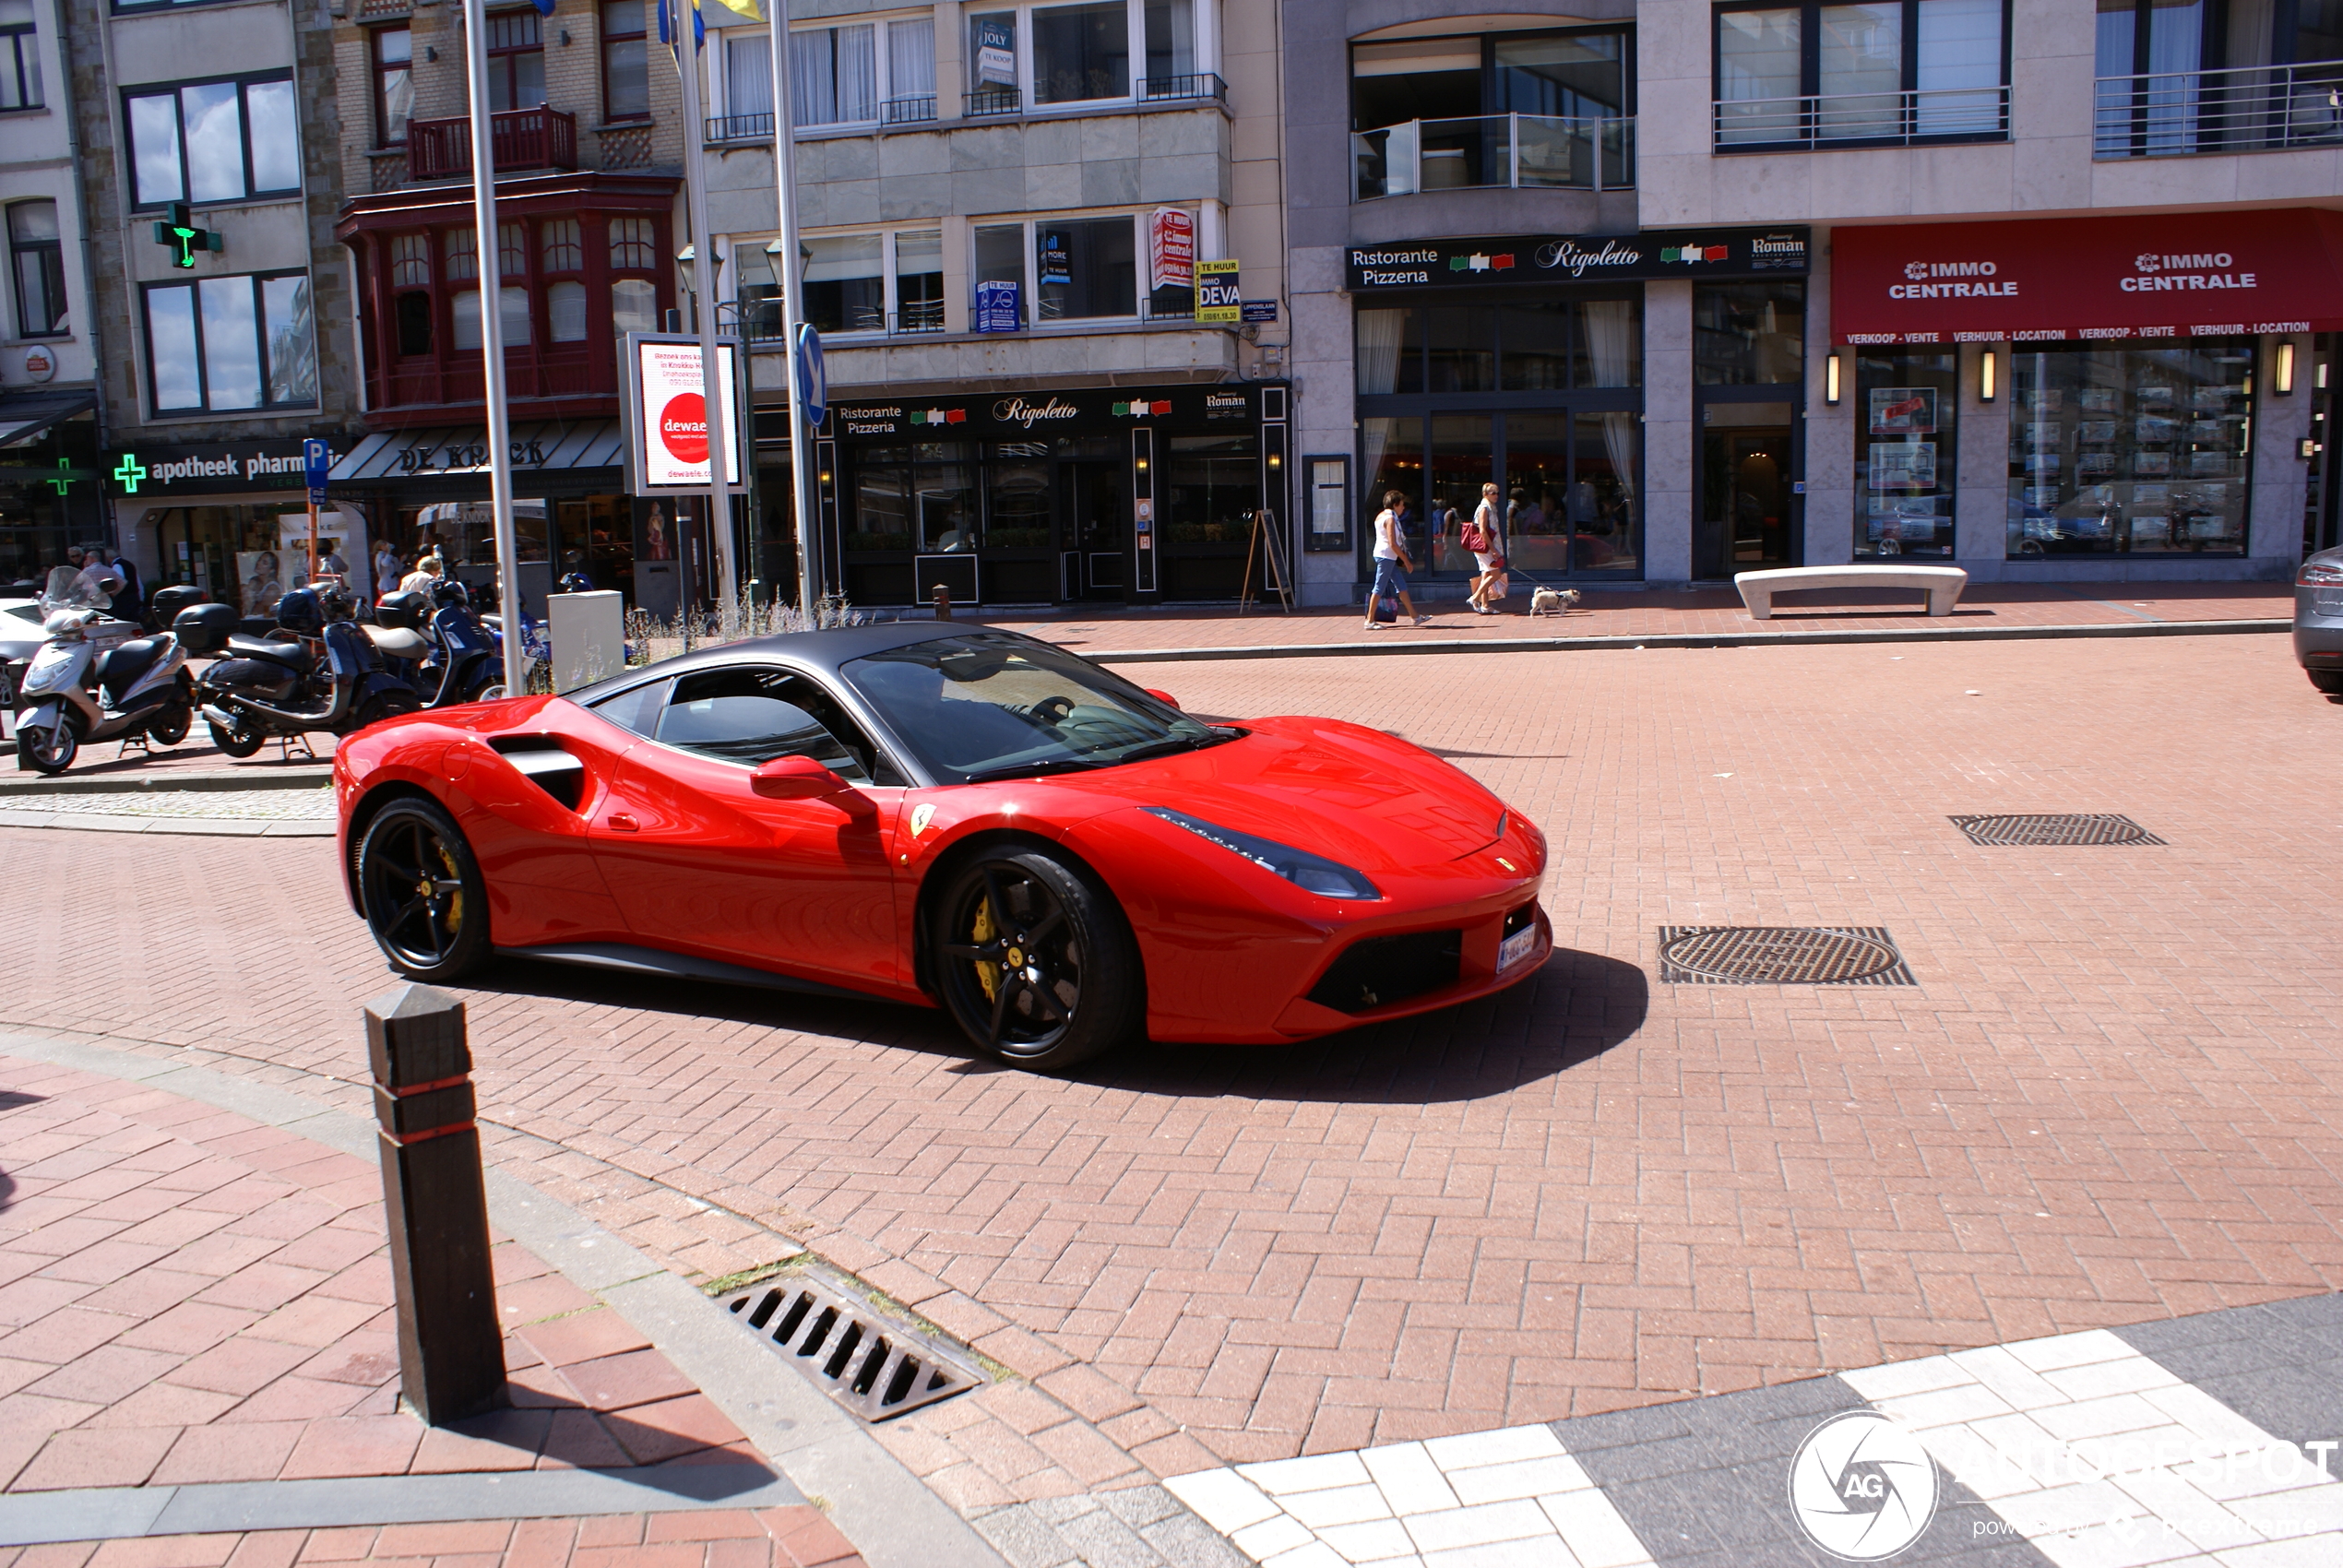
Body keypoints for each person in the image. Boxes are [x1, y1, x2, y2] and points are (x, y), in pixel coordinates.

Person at [1364, 490, 1427, 630]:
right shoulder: (1391, 519)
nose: (1403, 508)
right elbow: (1393, 543)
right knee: (1379, 587)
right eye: (1401, 504)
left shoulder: (1381, 516)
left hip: (1385, 554)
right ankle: (1369, 620)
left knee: (1401, 585)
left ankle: (1415, 616)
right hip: (1386, 555)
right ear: (1395, 504)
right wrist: (1406, 561)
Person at [1466, 483, 1505, 614]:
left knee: (1486, 573)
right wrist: (1493, 549)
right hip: (1486, 547)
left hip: (1486, 547)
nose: (1496, 495)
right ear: (1485, 494)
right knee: (1496, 574)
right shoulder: (1484, 508)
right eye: (1492, 493)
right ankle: (1475, 598)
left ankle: (1485, 605)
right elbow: (1482, 530)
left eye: (1497, 493)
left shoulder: (1490, 507)